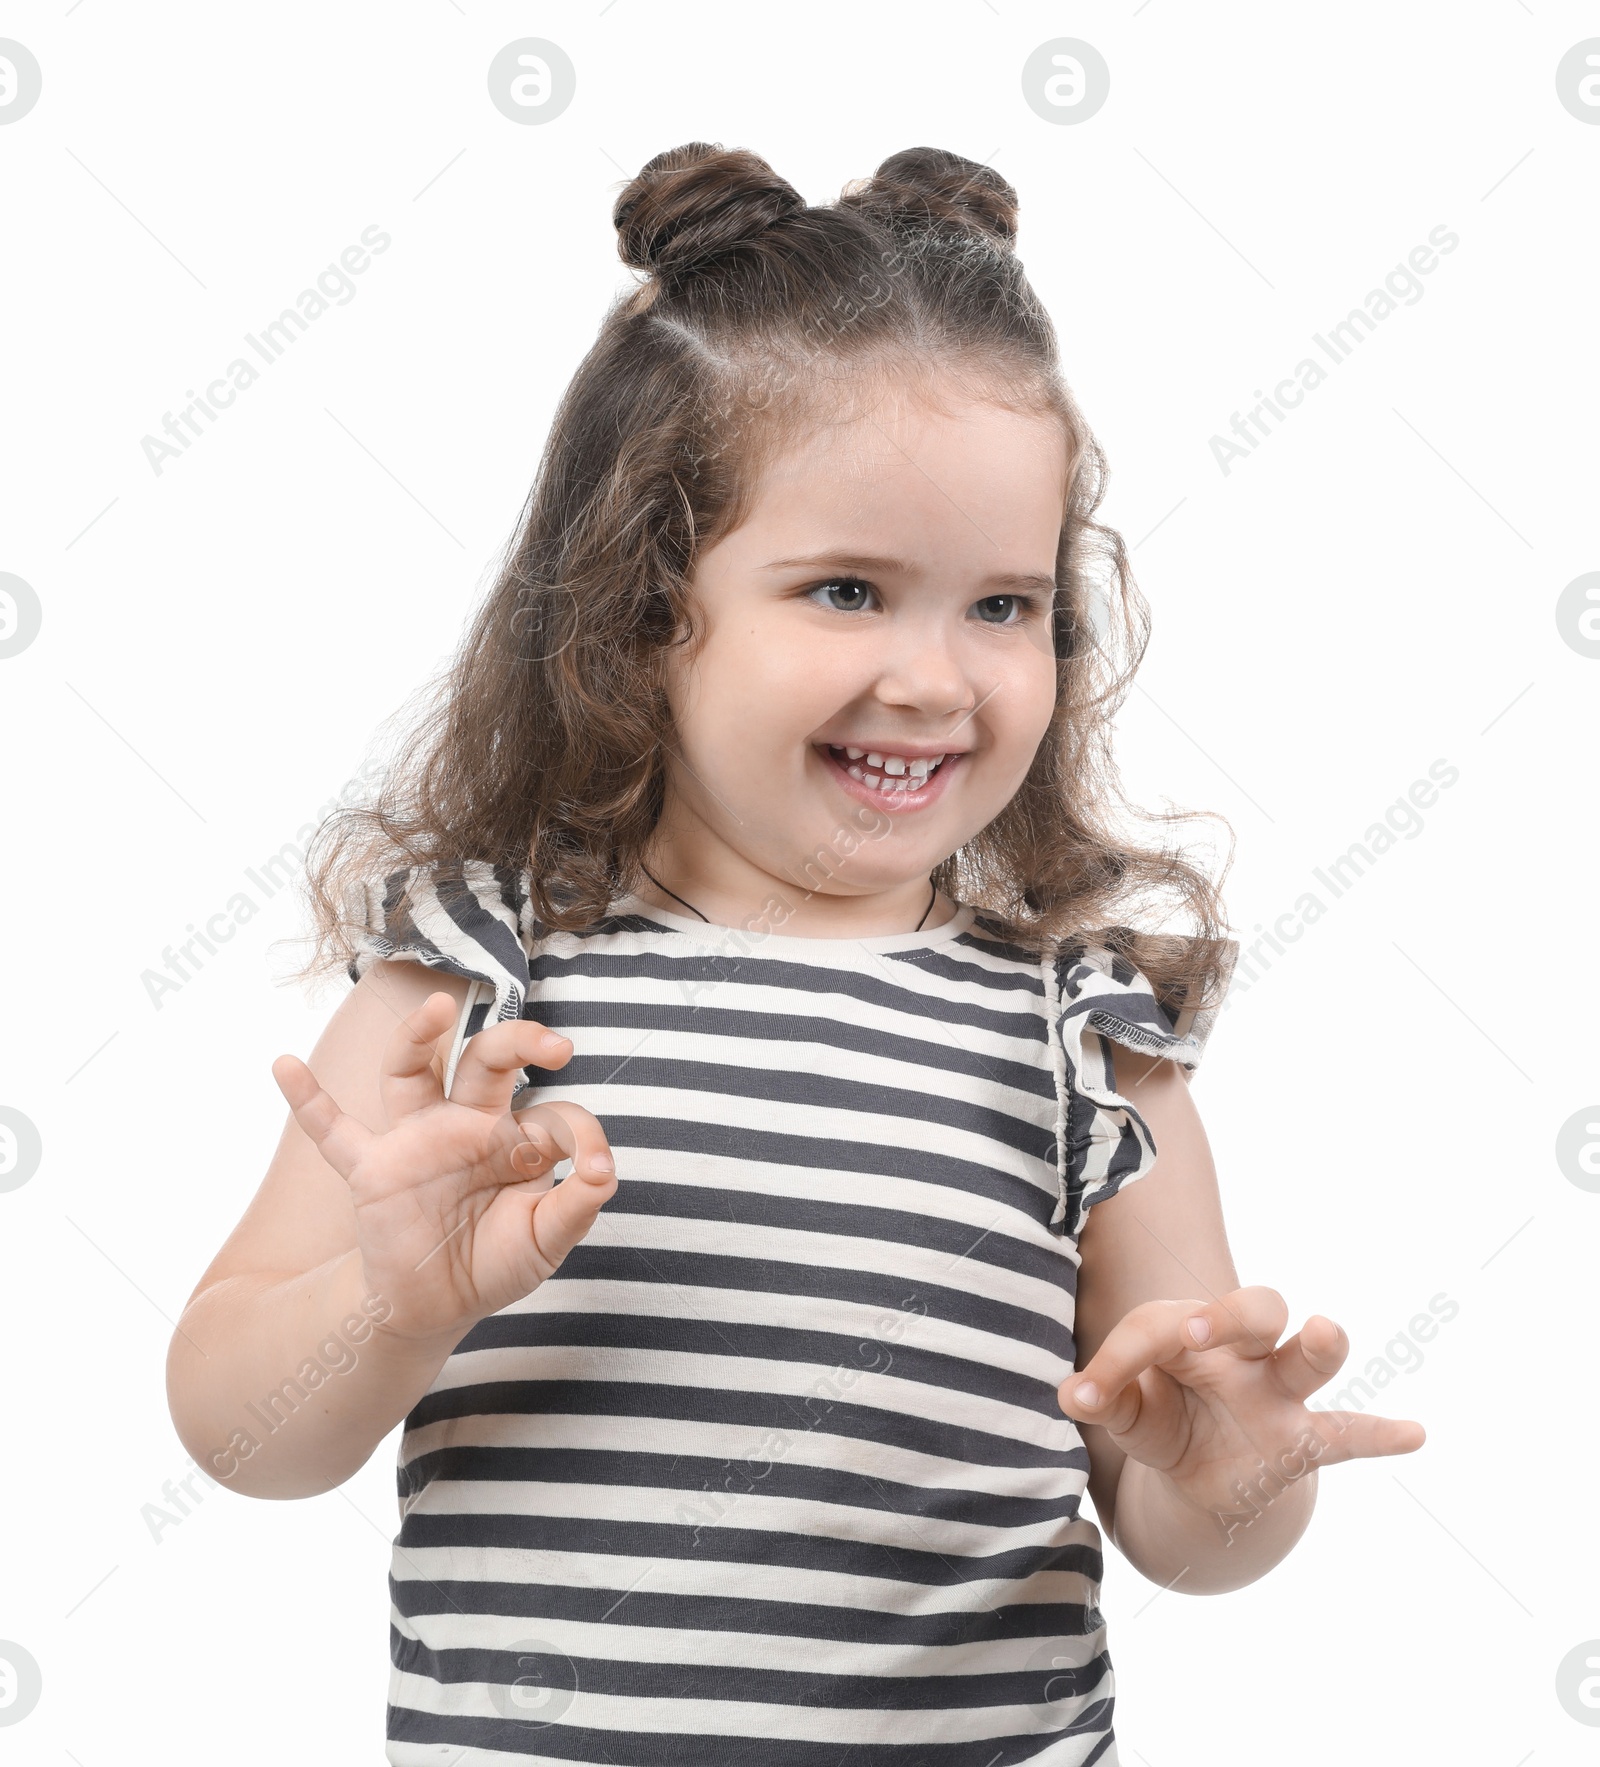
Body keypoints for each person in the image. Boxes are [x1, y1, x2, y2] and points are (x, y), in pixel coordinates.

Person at [166, 142, 1425, 1764]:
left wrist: (1231, 1483)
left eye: (1003, 607)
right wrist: (389, 1305)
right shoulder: (474, 979)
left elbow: (1182, 1532)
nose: (937, 679)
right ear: (643, 609)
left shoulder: (1084, 1035)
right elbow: (233, 1431)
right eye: (847, 590)